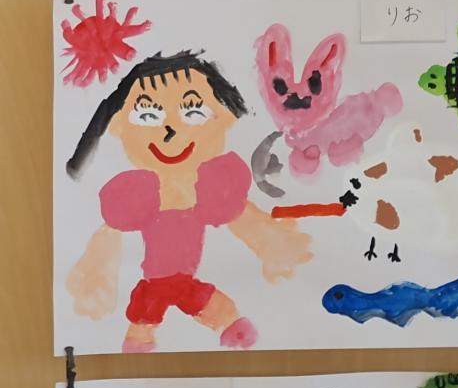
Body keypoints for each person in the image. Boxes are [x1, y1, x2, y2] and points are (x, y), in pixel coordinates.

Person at [64, 50, 309, 351]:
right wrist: (96, 276)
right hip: (154, 285)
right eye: (148, 115)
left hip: (187, 283)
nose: (169, 130)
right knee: (144, 321)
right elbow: (109, 235)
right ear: (119, 125)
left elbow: (244, 219)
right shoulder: (135, 193)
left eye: (193, 111)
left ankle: (234, 333)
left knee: (206, 306)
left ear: (224, 118)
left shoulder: (212, 187)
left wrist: (275, 245)